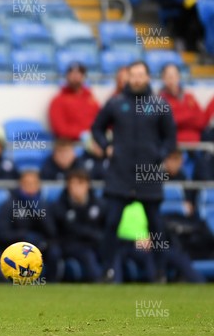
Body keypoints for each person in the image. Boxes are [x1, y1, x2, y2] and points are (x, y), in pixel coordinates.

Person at [91, 60, 177, 283]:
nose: (137, 79)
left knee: (156, 225)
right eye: (133, 75)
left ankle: (160, 272)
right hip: (120, 174)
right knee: (111, 223)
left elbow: (171, 138)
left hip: (149, 175)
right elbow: (97, 128)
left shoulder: (160, 104)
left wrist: (159, 155)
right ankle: (107, 270)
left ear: (148, 77)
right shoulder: (116, 103)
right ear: (127, 77)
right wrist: (107, 147)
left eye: (141, 74)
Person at [0, 170, 61, 282]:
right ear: (21, 185)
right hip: (16, 248)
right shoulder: (8, 206)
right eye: (27, 183)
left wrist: (40, 217)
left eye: (34, 183)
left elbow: (52, 232)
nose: (30, 187)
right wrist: (24, 236)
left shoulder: (44, 205)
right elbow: (2, 235)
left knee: (54, 252)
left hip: (39, 247)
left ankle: (51, 285)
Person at [49, 169, 105, 282]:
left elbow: (105, 226)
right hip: (69, 244)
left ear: (87, 185)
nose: (76, 188)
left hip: (95, 242)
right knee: (86, 254)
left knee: (111, 248)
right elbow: (67, 228)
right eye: (73, 184)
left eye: (80, 183)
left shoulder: (99, 204)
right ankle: (98, 280)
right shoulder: (60, 205)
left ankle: (114, 278)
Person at [48, 62, 100, 141]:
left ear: (83, 77)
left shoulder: (91, 98)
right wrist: (82, 134)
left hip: (93, 140)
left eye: (79, 73)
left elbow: (100, 120)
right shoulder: (58, 101)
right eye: (72, 73)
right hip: (70, 143)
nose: (75, 76)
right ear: (67, 76)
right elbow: (60, 130)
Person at [159, 63, 206, 143]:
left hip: (196, 141)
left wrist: (179, 119)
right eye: (168, 76)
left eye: (174, 75)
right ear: (163, 79)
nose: (171, 79)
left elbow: (202, 121)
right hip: (172, 144)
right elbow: (165, 124)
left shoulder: (189, 96)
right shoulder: (159, 100)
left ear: (178, 77)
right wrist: (190, 117)